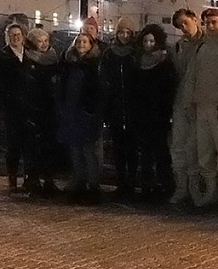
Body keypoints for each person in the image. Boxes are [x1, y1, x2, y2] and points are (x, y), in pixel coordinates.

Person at [181, 8, 218, 208]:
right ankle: (211, 192)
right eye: (208, 23)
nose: (211, 26)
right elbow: (191, 77)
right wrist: (189, 102)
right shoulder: (201, 47)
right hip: (201, 107)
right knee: (204, 153)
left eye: (214, 22)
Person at [0, 23, 42, 196]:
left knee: (31, 146)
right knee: (13, 146)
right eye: (12, 35)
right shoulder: (1, 57)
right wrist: (2, 107)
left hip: (30, 108)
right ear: (7, 37)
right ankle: (12, 180)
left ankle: (30, 180)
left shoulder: (30, 55)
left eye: (18, 34)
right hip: (12, 108)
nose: (16, 38)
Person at [56, 32, 103, 204]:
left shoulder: (95, 64)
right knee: (75, 149)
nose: (81, 44)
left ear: (91, 45)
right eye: (79, 41)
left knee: (90, 151)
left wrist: (92, 110)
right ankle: (79, 181)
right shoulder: (69, 63)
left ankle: (93, 185)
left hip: (87, 113)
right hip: (71, 111)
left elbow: (99, 91)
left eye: (85, 42)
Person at [132, 24, 177, 201]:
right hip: (142, 113)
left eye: (152, 41)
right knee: (145, 152)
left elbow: (169, 89)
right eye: (145, 41)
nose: (148, 44)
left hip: (159, 114)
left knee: (161, 151)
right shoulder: (138, 62)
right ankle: (146, 185)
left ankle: (164, 184)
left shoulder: (164, 63)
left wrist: (165, 111)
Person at [100, 16, 139, 199]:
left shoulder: (135, 53)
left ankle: (131, 183)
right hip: (115, 106)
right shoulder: (109, 53)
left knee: (131, 148)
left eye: (128, 32)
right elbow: (104, 81)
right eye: (122, 32)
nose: (124, 35)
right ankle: (121, 182)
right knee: (118, 148)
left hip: (132, 106)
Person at [168, 8, 204, 205]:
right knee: (178, 146)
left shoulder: (208, 43)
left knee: (197, 149)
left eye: (185, 23)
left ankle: (195, 188)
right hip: (181, 102)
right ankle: (182, 187)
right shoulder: (179, 47)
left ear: (195, 19)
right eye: (180, 26)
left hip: (201, 102)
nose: (183, 28)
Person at [25, 27, 62, 197]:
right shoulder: (26, 59)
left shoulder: (54, 59)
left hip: (50, 107)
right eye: (39, 41)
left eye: (45, 41)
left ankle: (49, 179)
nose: (43, 44)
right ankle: (32, 180)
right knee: (33, 146)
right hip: (33, 107)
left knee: (49, 146)